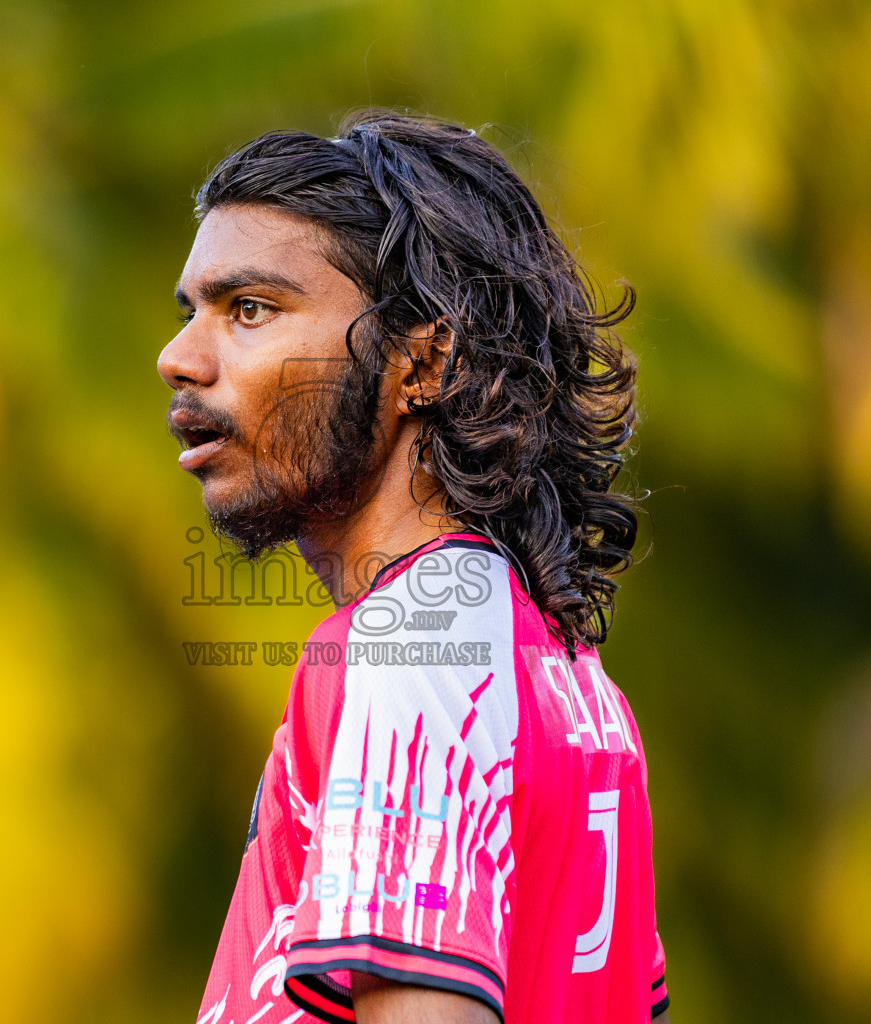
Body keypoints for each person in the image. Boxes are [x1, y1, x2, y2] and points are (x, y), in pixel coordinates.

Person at [159, 110, 668, 1024]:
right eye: (189, 312)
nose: (179, 359)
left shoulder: (412, 645)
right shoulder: (573, 680)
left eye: (250, 309)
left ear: (422, 362)